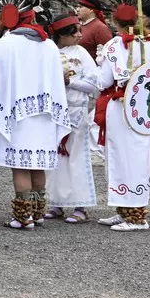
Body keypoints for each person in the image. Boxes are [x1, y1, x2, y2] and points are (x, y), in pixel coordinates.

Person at [0, 0, 65, 230]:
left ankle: (22, 216)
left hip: (17, 115)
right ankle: (37, 214)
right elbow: (57, 80)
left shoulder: (3, 44)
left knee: (20, 168)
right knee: (38, 167)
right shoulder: (48, 44)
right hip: (46, 114)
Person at [90, 0, 150, 232]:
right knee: (135, 155)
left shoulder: (115, 45)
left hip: (121, 107)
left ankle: (135, 215)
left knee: (121, 157)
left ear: (115, 22)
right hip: (144, 109)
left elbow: (103, 80)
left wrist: (94, 65)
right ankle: (125, 208)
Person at [47, 11, 101, 221]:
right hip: (53, 113)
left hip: (76, 112)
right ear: (62, 34)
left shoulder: (82, 54)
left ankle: (81, 206)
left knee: (77, 158)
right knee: (54, 160)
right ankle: (56, 202)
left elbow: (93, 85)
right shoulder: (49, 51)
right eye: (74, 31)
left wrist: (70, 82)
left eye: (80, 30)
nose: (80, 35)